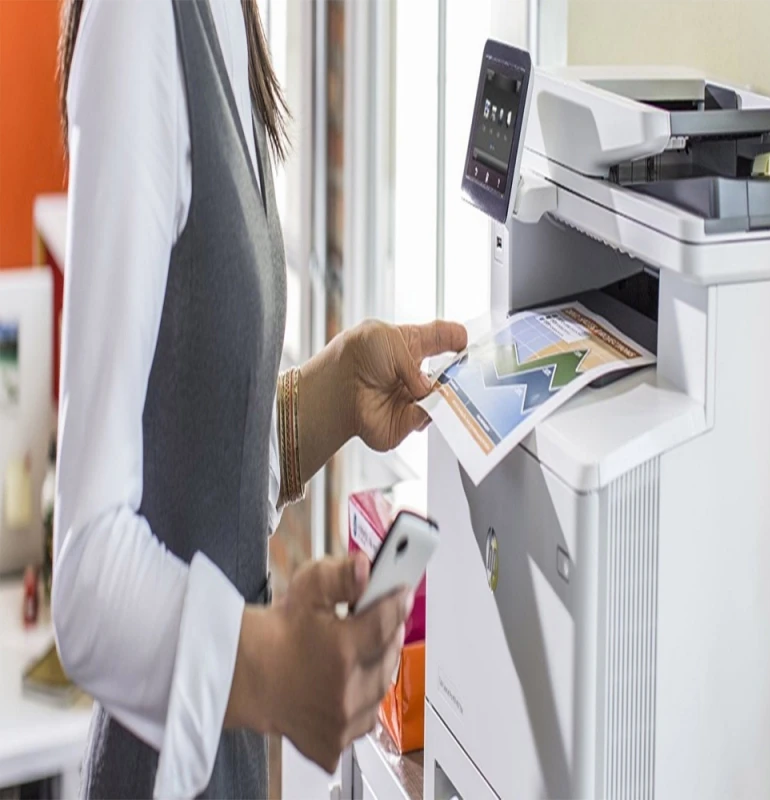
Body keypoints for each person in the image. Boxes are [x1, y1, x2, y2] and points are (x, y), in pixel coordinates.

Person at [52, 1, 467, 798]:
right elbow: (86, 579)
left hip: (231, 758)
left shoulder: (228, 22)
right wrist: (275, 667)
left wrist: (332, 394)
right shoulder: (139, 21)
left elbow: (194, 442)